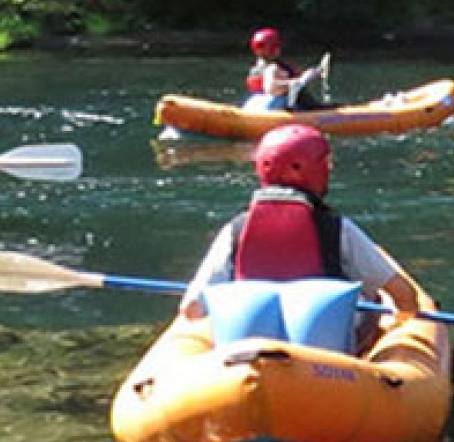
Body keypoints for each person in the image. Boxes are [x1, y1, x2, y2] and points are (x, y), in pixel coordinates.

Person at [177, 124, 420, 348]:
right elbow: (404, 297)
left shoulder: (236, 229)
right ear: (317, 170)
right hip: (325, 356)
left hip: (249, 348)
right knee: (373, 299)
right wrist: (400, 326)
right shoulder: (337, 228)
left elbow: (191, 308)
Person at [243, 28, 325, 112]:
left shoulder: (255, 70)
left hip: (254, 106)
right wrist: (303, 79)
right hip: (277, 109)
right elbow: (270, 87)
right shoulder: (272, 68)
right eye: (276, 46)